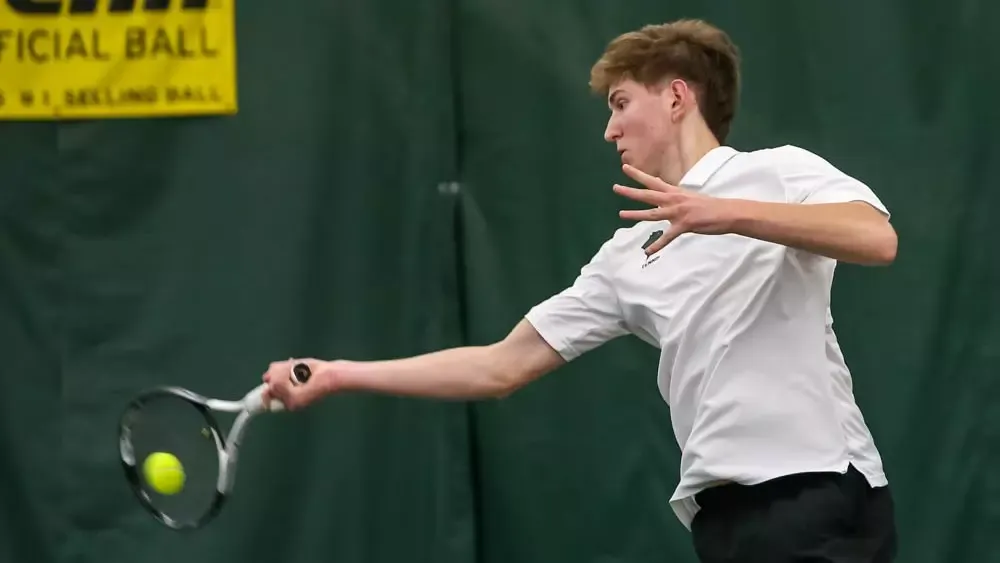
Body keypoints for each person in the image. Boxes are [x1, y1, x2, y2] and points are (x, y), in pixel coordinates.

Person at [263, 18, 899, 563]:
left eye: (621, 103)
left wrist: (724, 212)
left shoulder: (776, 171)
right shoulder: (627, 255)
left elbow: (876, 240)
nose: (610, 130)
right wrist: (339, 374)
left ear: (677, 97)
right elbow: (498, 367)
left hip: (816, 491)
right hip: (723, 518)